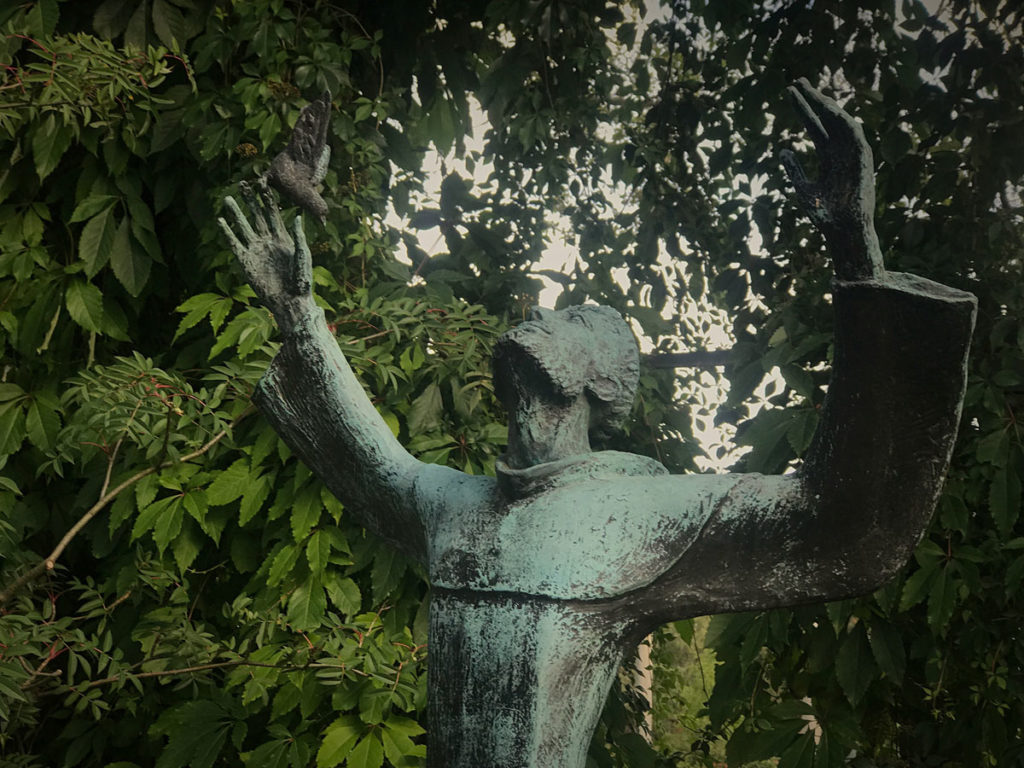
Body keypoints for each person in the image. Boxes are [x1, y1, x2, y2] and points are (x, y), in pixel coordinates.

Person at [219, 80, 976, 768]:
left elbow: (840, 521)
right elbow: (374, 460)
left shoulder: (648, 515)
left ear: (601, 379)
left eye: (576, 316)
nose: (546, 311)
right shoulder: (456, 509)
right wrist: (299, 316)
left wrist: (854, 252)